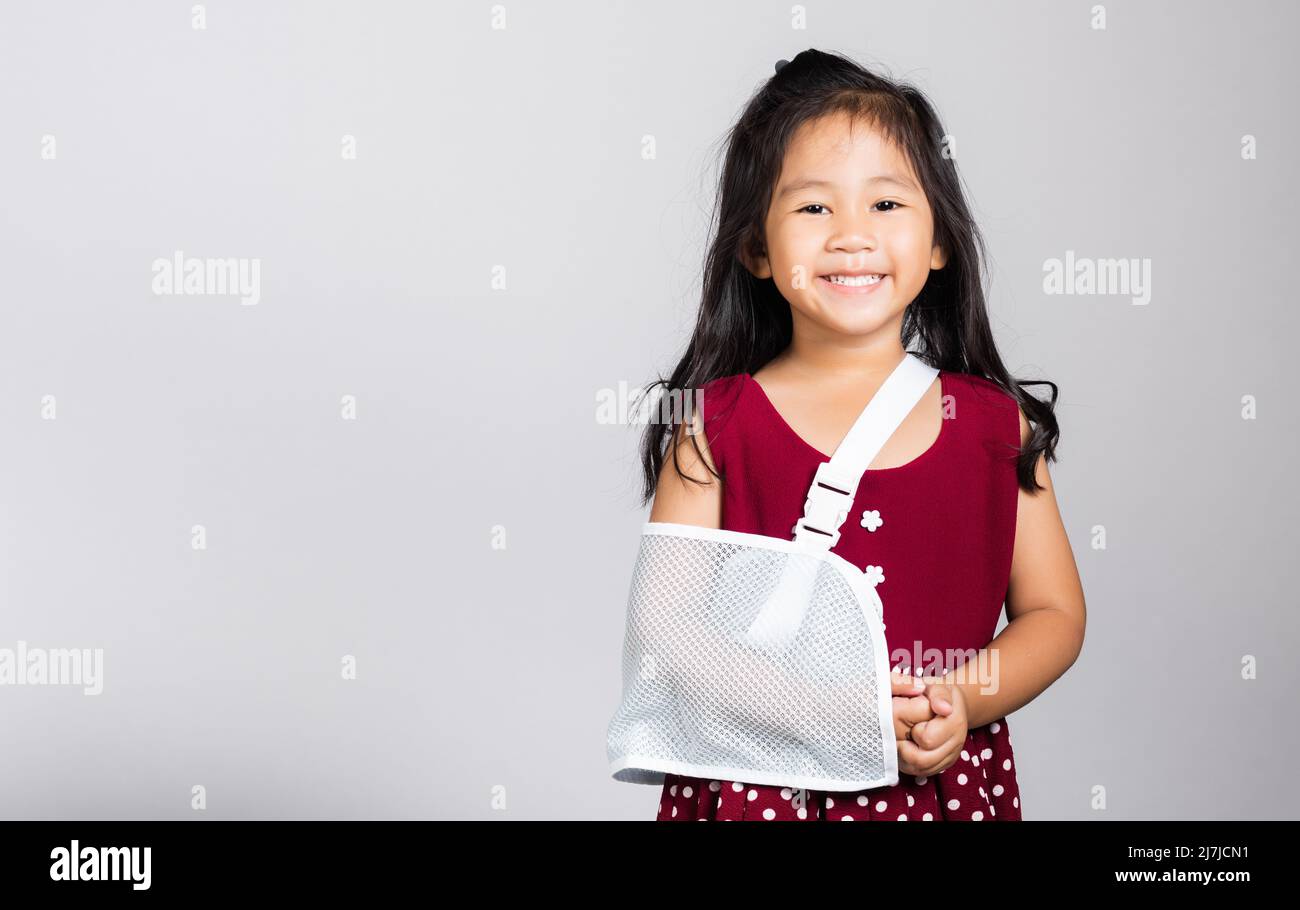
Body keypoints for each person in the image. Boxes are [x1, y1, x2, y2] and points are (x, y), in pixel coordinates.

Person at [638, 49, 1086, 821]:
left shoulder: (991, 428)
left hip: (932, 785)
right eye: (814, 209)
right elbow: (669, 632)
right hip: (762, 785)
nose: (851, 236)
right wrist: (837, 712)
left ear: (939, 242)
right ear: (756, 248)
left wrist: (962, 700)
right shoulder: (712, 430)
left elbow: (1054, 614)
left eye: (885, 205)